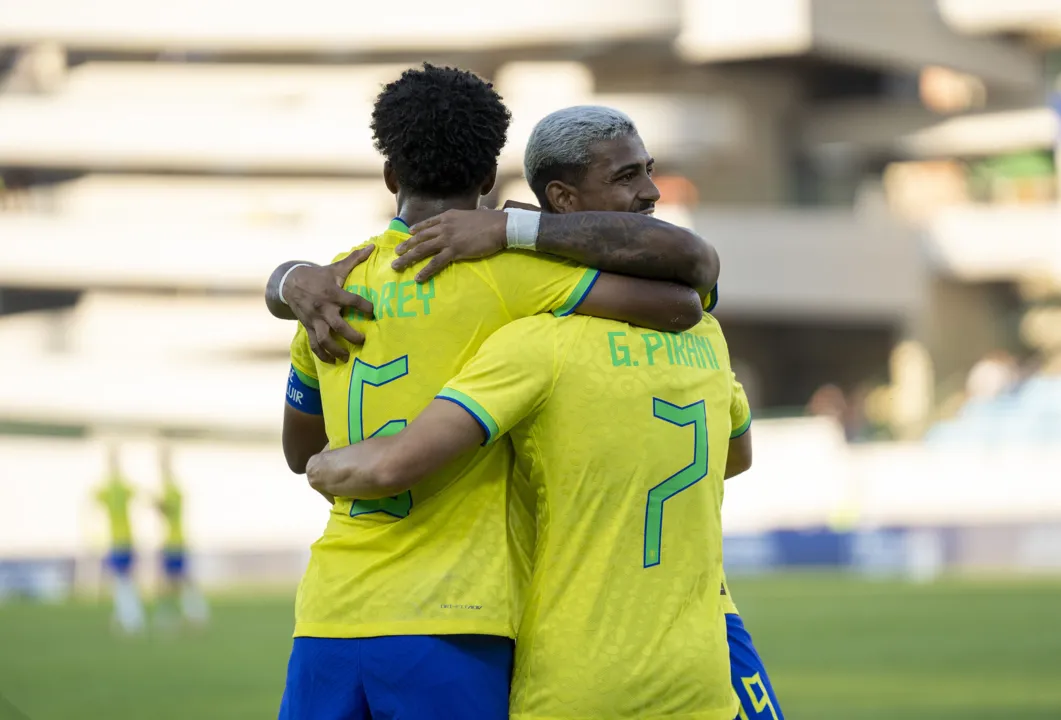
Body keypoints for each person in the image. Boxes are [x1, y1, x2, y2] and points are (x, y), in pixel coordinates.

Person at [274, 66, 719, 720]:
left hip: (329, 616)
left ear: (391, 177)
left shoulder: (329, 289)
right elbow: (682, 301)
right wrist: (525, 234)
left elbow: (298, 450)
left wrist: (285, 280)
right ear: (490, 180)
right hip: (453, 617)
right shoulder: (508, 275)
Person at [365, 105, 785, 720]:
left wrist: (512, 230)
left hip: (603, 654)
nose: (651, 191)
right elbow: (736, 455)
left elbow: (694, 258)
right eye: (626, 177)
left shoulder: (537, 332)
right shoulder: (698, 325)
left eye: (648, 170)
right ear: (561, 196)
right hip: (694, 643)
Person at [306, 309, 744, 717]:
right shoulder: (705, 335)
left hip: (581, 679)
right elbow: (738, 454)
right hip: (699, 671)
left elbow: (394, 465)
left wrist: (321, 466)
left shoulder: (538, 342)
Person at [154, 444, 209, 631]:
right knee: (178, 582)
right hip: (174, 542)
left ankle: (181, 616)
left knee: (172, 584)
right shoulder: (172, 488)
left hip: (174, 543)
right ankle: (193, 614)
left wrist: (155, 504)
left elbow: (166, 510)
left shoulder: (172, 489)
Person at [94, 444, 145, 635]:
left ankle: (131, 619)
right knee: (123, 580)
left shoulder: (108, 489)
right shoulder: (124, 487)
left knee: (121, 581)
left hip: (119, 541)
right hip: (126, 539)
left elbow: (94, 500)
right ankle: (126, 618)